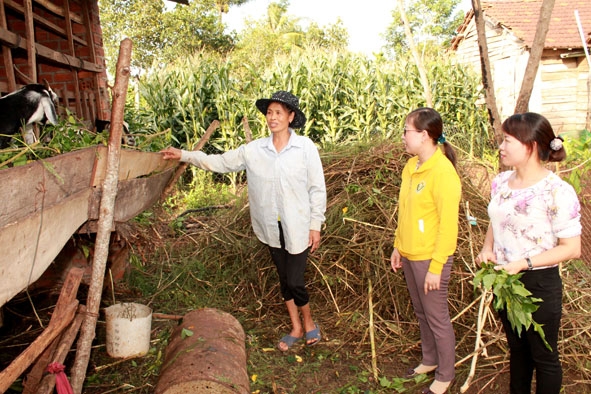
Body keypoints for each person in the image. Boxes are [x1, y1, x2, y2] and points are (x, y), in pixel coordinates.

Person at [161, 91, 327, 352]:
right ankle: (295, 326)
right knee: (284, 279)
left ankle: (308, 321)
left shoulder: (305, 148)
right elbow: (219, 162)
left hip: (298, 225)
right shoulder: (254, 150)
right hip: (270, 227)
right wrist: (184, 154)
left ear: (291, 117)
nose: (272, 118)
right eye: (269, 113)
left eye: (278, 113)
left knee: (295, 280)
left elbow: (317, 188)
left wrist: (315, 224)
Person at [476, 112, 581, 394]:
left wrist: (524, 263)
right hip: (506, 282)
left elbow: (572, 248)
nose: (501, 146)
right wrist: (488, 248)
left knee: (544, 356)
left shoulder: (556, 191)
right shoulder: (501, 182)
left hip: (539, 283)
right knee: (518, 352)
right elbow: (496, 219)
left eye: (508, 140)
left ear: (531, 145)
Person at [390, 107, 461, 394]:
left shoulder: (443, 173)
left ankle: (445, 374)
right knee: (421, 312)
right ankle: (429, 360)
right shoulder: (412, 167)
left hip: (431, 259)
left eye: (407, 131)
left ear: (424, 135)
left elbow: (448, 228)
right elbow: (404, 212)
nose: (404, 137)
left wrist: (436, 268)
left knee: (437, 317)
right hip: (409, 254)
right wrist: (398, 246)